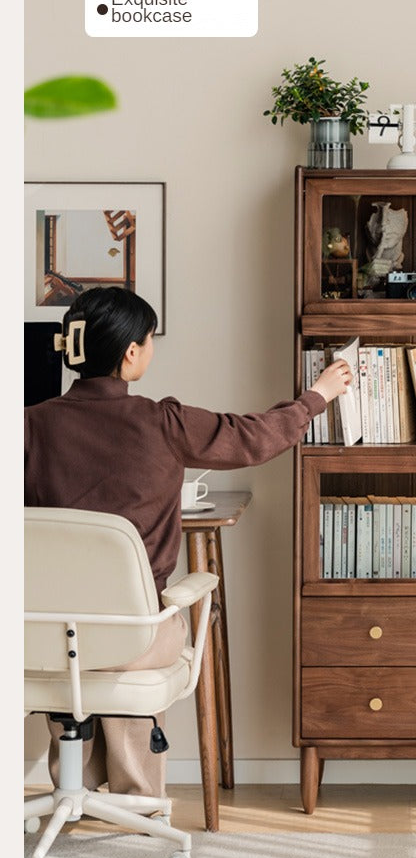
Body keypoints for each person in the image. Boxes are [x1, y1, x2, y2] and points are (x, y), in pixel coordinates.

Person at [24, 286, 351, 801]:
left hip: (45, 639)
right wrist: (318, 396)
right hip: (131, 640)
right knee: (159, 620)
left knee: (83, 647)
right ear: (131, 352)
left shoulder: (28, 425)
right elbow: (253, 437)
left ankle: (78, 786)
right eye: (149, 340)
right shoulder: (162, 421)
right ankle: (136, 797)